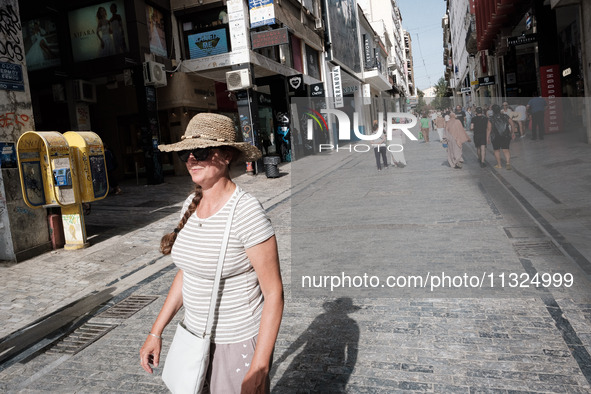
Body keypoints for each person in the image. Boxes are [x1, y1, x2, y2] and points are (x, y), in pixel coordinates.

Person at [140, 113, 284, 393]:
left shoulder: (247, 213)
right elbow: (188, 273)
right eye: (186, 153)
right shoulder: (189, 205)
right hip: (193, 339)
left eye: (202, 151)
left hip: (237, 343)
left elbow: (274, 294)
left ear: (227, 155)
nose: (192, 159)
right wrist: (156, 332)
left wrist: (260, 367)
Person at [487, 104, 516, 170]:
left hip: (495, 136)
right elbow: (512, 124)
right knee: (506, 150)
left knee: (496, 150)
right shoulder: (505, 116)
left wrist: (487, 137)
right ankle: (508, 163)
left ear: (493, 110)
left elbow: (489, 129)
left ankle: (499, 165)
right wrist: (513, 133)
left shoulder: (491, 118)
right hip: (505, 135)